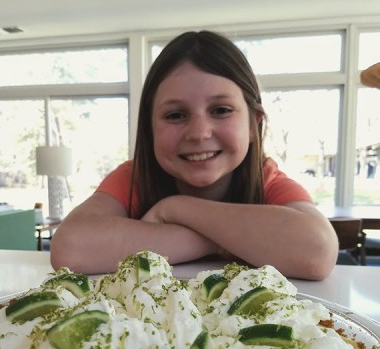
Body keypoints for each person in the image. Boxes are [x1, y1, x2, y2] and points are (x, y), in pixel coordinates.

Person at [51, 30, 338, 280]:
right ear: (150, 130)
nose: (199, 133)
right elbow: (71, 248)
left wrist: (175, 209)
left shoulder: (266, 178)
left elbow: (318, 251)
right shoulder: (133, 177)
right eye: (175, 115)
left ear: (254, 124)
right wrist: (219, 240)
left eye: (221, 110)